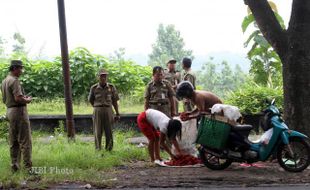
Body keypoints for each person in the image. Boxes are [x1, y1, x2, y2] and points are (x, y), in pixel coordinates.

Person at [1, 60, 32, 172]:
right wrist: (27, 100)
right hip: (19, 112)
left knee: (13, 141)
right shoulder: (14, 81)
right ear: (14, 68)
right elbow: (18, 98)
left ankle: (15, 166)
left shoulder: (4, 81)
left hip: (9, 111)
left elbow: (5, 99)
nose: (21, 71)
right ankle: (28, 168)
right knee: (25, 140)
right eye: (20, 68)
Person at [88, 69, 120, 151]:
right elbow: (91, 100)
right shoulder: (94, 88)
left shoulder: (111, 87)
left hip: (108, 110)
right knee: (97, 131)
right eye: (101, 76)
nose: (103, 78)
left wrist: (117, 113)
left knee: (109, 130)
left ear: (107, 77)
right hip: (97, 110)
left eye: (105, 76)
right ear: (98, 77)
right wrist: (97, 107)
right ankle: (98, 149)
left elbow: (115, 101)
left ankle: (109, 149)